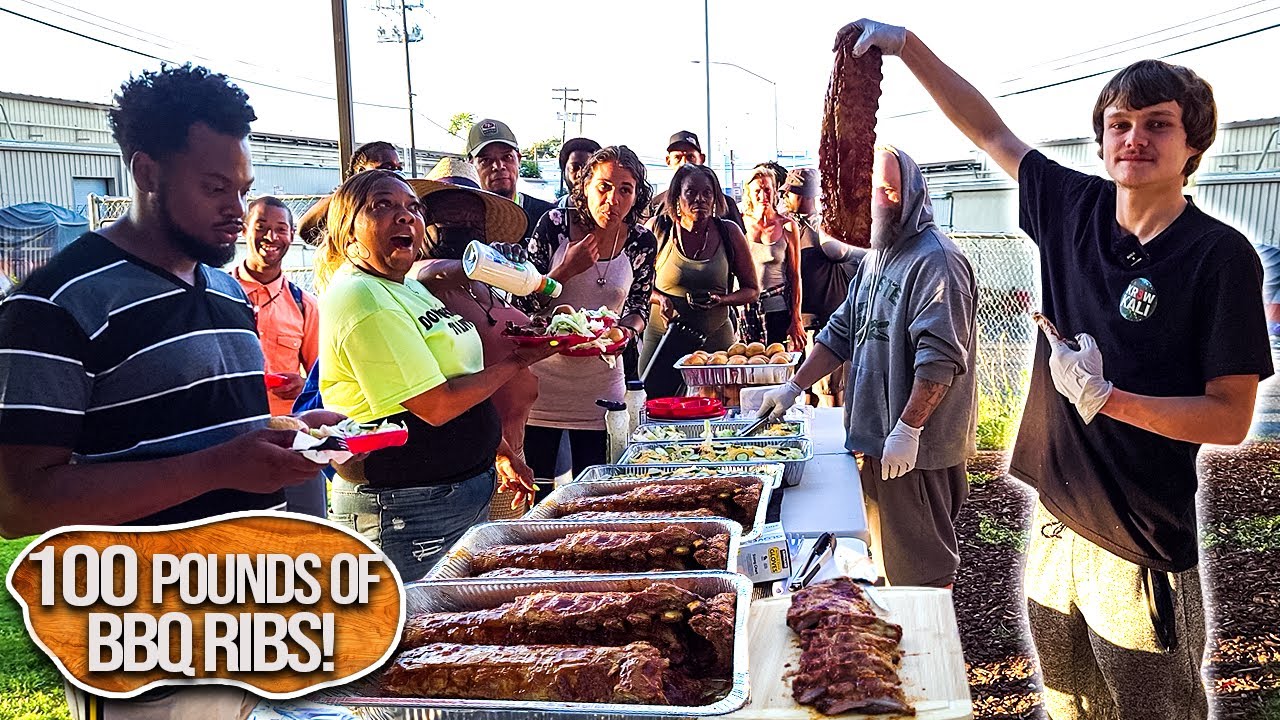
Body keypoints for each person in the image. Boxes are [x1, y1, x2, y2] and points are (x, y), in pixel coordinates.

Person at [843, 18, 1273, 719]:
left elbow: (1230, 415)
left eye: (1157, 124)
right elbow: (989, 133)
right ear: (1103, 141)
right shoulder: (1076, 208)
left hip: (1139, 540)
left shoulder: (1219, 256)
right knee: (1065, 701)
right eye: (1120, 123)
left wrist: (1110, 399)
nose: (1134, 137)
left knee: (1149, 707)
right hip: (1054, 519)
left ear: (1192, 143)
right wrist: (906, 45)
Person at [0, 63, 341, 720]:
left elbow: (215, 433)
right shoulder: (54, 304)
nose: (237, 212)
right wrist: (220, 466)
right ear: (147, 172)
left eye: (242, 189)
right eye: (216, 188)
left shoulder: (223, 291)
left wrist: (285, 435)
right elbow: (19, 502)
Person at [314, 169, 554, 577]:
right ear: (347, 232)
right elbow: (437, 405)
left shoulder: (405, 286)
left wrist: (499, 449)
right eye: (382, 206)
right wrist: (517, 361)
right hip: (406, 509)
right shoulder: (361, 295)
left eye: (412, 207)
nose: (405, 216)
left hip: (456, 492)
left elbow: (457, 374)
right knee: (413, 632)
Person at [760, 145, 977, 590]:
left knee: (923, 575)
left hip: (917, 450)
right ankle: (897, 642)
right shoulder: (878, 256)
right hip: (877, 440)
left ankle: (930, 651)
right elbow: (841, 331)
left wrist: (909, 430)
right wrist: (792, 387)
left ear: (911, 194)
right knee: (888, 562)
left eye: (886, 190)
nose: (874, 200)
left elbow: (940, 359)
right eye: (866, 191)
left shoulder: (937, 260)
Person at [513, 146, 657, 490]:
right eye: (604, 187)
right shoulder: (555, 226)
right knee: (541, 495)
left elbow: (640, 307)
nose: (613, 199)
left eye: (625, 189)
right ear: (585, 186)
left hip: (603, 387)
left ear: (636, 195)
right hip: (542, 385)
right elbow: (523, 304)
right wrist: (563, 272)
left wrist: (625, 332)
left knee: (599, 491)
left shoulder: (640, 241)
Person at [408, 159, 541, 517]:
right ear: (425, 224)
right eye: (449, 218)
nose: (462, 227)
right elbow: (437, 272)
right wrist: (484, 263)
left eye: (472, 220)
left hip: (513, 452)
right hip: (479, 459)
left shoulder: (486, 284)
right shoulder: (420, 281)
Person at [639, 163, 759, 373]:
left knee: (719, 402)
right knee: (653, 399)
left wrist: (721, 300)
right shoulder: (658, 229)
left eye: (707, 193)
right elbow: (636, 285)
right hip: (664, 337)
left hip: (715, 337)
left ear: (715, 198)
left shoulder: (729, 232)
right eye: (691, 192)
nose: (700, 199)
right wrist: (661, 298)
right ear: (677, 196)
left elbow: (752, 291)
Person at [783, 167, 864, 406]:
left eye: (792, 193)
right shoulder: (791, 225)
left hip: (826, 325)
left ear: (808, 196)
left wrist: (825, 221)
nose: (786, 198)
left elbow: (839, 252)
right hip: (801, 325)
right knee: (803, 392)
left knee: (829, 392)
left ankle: (834, 442)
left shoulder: (825, 227)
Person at [232, 196, 319, 417]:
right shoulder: (217, 295)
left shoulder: (304, 305)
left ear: (291, 234)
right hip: (228, 429)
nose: (271, 237)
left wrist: (303, 385)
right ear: (244, 230)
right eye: (261, 227)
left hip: (283, 431)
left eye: (281, 229)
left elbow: (322, 379)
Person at [741, 165, 805, 349]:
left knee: (779, 365)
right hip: (747, 310)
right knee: (750, 367)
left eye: (767, 190)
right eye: (757, 191)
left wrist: (796, 318)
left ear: (775, 191)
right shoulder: (740, 224)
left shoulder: (787, 226)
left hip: (778, 310)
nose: (763, 196)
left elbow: (795, 275)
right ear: (749, 194)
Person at [298, 141, 402, 244]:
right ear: (361, 171)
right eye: (388, 167)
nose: (395, 173)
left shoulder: (403, 200)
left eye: (399, 168)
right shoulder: (347, 202)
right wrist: (348, 193)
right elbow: (305, 231)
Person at [466, 118, 554, 237]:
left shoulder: (548, 217)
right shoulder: (463, 222)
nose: (498, 166)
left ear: (519, 159)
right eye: (486, 160)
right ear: (470, 165)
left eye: (507, 157)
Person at [649, 130, 745, 229]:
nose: (684, 163)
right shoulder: (656, 205)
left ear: (702, 159)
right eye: (677, 157)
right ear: (668, 161)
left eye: (690, 157)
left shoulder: (726, 204)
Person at [557, 136, 602, 207]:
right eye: (574, 168)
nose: (581, 174)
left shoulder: (612, 214)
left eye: (588, 168)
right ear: (563, 170)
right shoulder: (549, 213)